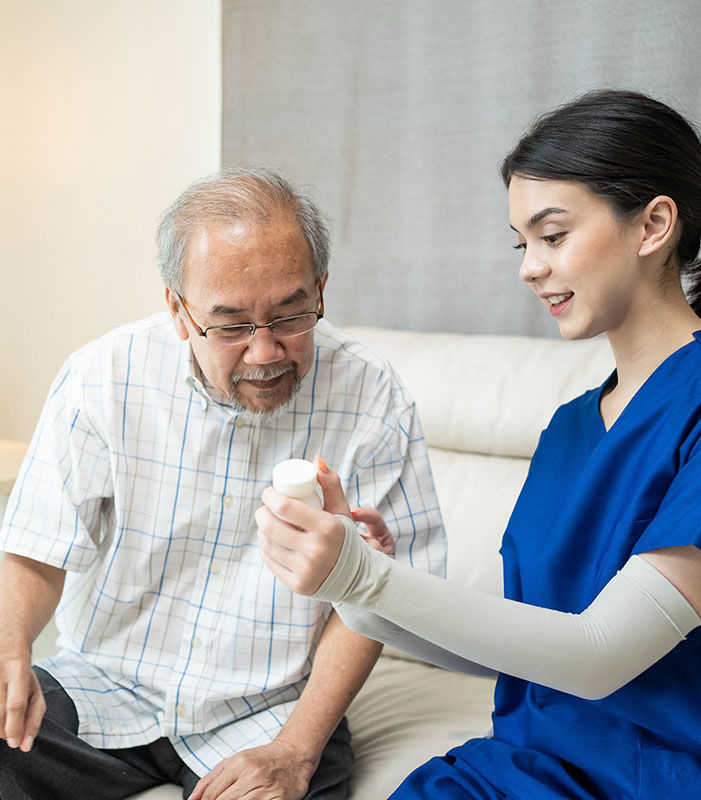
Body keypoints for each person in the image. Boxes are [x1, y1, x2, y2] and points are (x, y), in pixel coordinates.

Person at [256, 90, 701, 799]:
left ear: (651, 224)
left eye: (551, 236)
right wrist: (359, 595)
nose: (527, 267)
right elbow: (522, 654)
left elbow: (599, 657)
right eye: (520, 243)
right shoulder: (567, 430)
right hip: (525, 766)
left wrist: (365, 580)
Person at [0, 167, 446, 800]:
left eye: (292, 315)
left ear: (320, 288)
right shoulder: (101, 377)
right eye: (231, 326)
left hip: (268, 712)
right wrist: (10, 644)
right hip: (105, 687)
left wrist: (295, 751)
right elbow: (39, 543)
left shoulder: (372, 396)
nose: (265, 352)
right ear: (179, 311)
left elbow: (381, 600)